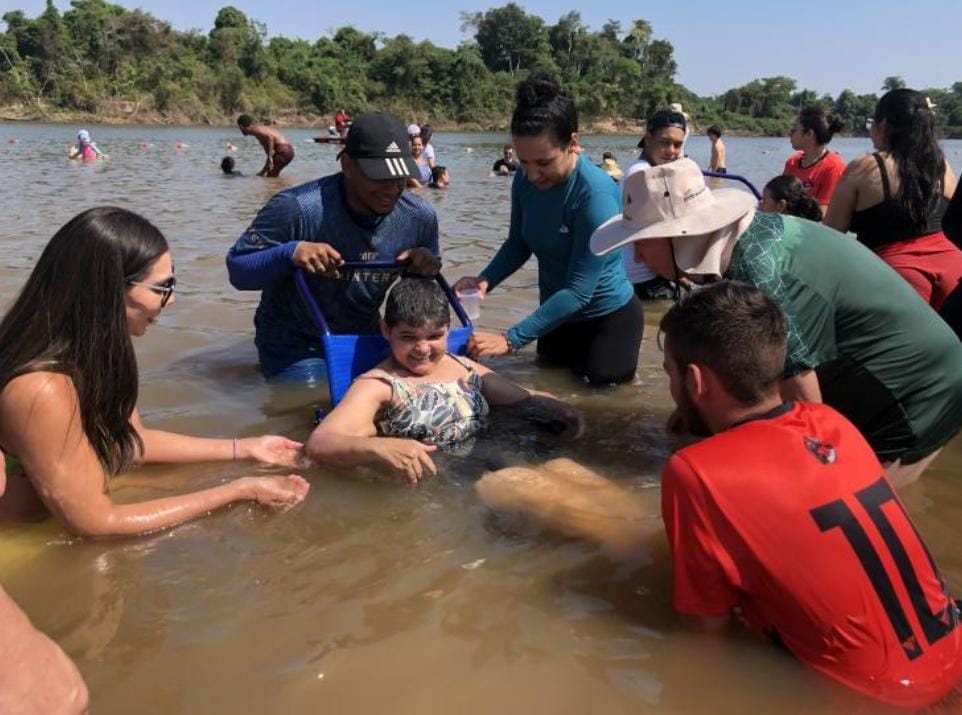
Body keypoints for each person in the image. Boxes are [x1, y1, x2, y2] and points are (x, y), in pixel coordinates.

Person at [476, 281, 962, 710]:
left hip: (875, 697)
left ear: (696, 381)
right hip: (950, 655)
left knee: (508, 486)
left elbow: (702, 631)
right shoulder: (833, 423)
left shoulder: (696, 471)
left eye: (668, 373)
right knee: (563, 477)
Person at [590, 158, 962, 486]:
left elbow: (807, 408)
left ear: (678, 236)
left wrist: (814, 484)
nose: (636, 254)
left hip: (919, 389)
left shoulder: (759, 274)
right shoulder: (737, 244)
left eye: (642, 241)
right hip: (862, 368)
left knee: (849, 510)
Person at [0, 207, 309, 537]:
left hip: (67, 508)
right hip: (19, 541)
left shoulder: (96, 353)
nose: (172, 300)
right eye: (162, 287)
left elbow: (131, 444)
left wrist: (246, 449)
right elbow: (95, 523)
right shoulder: (41, 388)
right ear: (108, 291)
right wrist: (238, 490)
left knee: (186, 479)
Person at [454, 74, 642, 386]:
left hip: (606, 321)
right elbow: (518, 243)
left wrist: (510, 340)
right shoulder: (524, 180)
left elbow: (580, 291)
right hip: (555, 317)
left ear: (573, 143)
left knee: (603, 413)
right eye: (524, 162)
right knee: (545, 405)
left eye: (543, 162)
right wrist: (486, 280)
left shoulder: (594, 196)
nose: (533, 174)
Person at [226, 112, 441, 383]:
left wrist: (424, 270)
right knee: (307, 404)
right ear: (347, 165)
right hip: (296, 339)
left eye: (399, 179)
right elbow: (237, 269)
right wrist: (292, 252)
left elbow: (425, 293)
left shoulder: (418, 217)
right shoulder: (297, 208)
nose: (391, 189)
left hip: (365, 332)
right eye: (380, 178)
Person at [306, 279, 583, 483]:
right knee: (525, 485)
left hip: (494, 455)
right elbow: (321, 443)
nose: (423, 349)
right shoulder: (380, 385)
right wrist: (378, 447)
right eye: (408, 337)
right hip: (453, 478)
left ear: (448, 330)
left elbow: (524, 397)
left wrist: (561, 409)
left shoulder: (461, 366)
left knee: (567, 470)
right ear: (385, 330)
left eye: (434, 336)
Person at [824, 89, 962, 310]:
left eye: (872, 123)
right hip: (954, 272)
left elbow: (830, 236)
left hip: (898, 278)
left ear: (884, 124)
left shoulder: (866, 166)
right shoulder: (942, 165)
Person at [622, 107, 689, 301]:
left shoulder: (645, 169)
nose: (672, 152)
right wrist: (689, 281)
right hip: (643, 280)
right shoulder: (645, 177)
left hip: (635, 276)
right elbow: (650, 248)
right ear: (648, 138)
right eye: (665, 143)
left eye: (677, 145)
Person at [783, 107, 845, 213]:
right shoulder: (792, 162)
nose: (790, 133)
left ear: (809, 134)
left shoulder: (833, 167)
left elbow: (823, 214)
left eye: (794, 130)